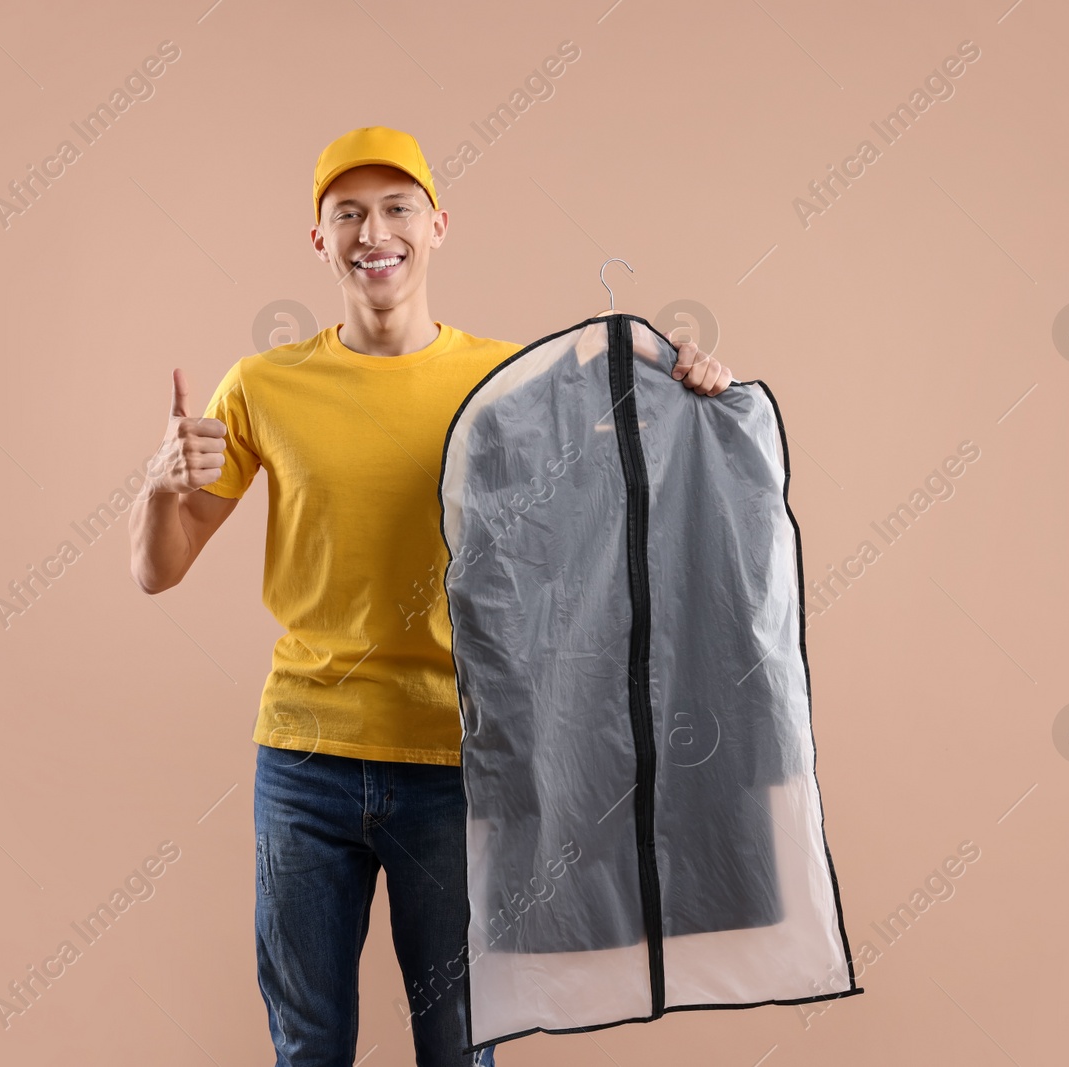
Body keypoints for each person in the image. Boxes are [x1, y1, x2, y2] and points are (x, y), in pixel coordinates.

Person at [128, 125, 730, 1067]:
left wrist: (695, 388)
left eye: (398, 207)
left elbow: (630, 465)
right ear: (319, 240)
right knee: (309, 1044)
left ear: (438, 225)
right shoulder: (262, 385)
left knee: (458, 1045)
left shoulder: (508, 381)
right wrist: (161, 484)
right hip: (303, 761)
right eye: (349, 213)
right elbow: (157, 568)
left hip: (457, 760)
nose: (376, 231)